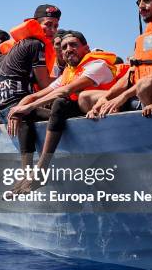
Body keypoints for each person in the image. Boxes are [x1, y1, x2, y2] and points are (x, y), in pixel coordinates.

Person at [6, 31, 118, 193]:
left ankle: (42, 169)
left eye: (73, 45)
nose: (68, 49)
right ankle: (27, 173)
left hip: (98, 117)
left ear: (86, 49)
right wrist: (17, 110)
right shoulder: (68, 73)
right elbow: (36, 95)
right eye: (64, 47)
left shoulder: (97, 65)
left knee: (60, 102)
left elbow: (66, 91)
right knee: (26, 114)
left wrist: (29, 106)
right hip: (73, 116)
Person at [87, 0, 152, 117]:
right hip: (135, 93)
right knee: (86, 98)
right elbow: (131, 73)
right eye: (139, 2)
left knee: (145, 85)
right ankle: (112, 122)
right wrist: (107, 97)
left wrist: (124, 96)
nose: (141, 7)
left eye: (147, 0)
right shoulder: (141, 39)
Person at [0, 4, 61, 118]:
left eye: (56, 26)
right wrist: (69, 79)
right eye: (48, 24)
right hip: (16, 106)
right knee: (61, 116)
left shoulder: (24, 42)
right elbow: (44, 84)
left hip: (4, 105)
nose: (53, 30)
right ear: (36, 24)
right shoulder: (36, 45)